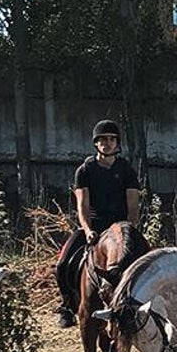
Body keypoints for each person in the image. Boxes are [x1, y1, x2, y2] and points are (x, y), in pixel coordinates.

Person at [55, 119, 142, 328]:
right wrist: (87, 230)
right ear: (96, 143)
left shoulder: (127, 170)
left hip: (121, 229)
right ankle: (67, 304)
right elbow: (82, 206)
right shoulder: (85, 170)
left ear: (117, 143)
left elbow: (133, 206)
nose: (107, 143)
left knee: (147, 260)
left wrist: (128, 230)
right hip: (94, 227)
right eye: (102, 139)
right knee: (62, 264)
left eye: (111, 139)